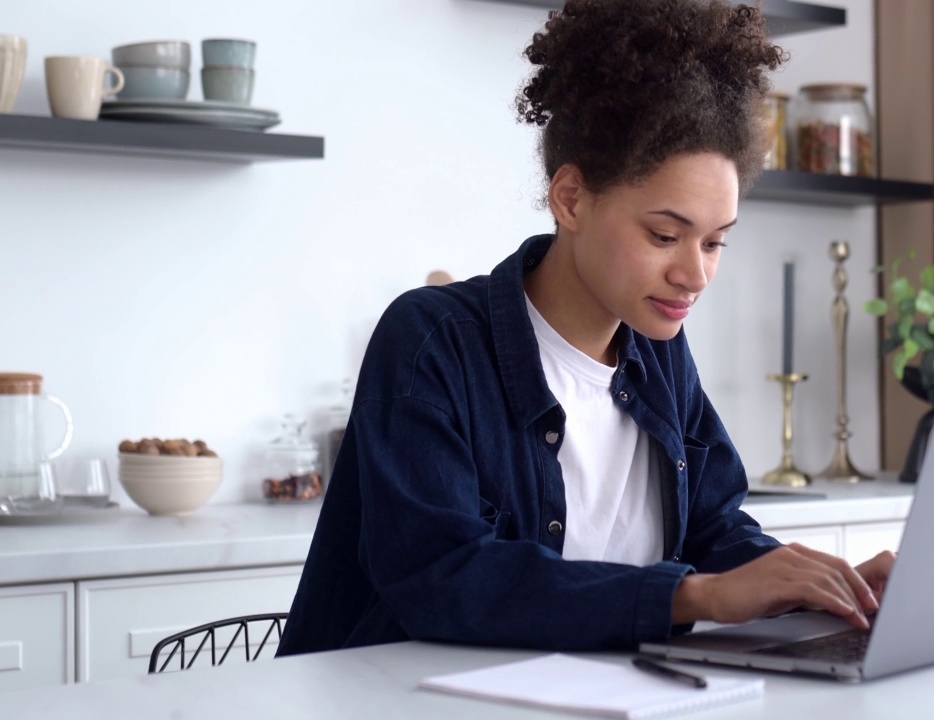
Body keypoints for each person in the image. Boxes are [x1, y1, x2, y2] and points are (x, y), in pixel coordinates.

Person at [277, 0, 894, 657]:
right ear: (571, 199)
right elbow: (443, 578)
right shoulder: (432, 341)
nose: (695, 274)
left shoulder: (658, 351)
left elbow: (714, 527)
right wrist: (692, 597)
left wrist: (824, 587)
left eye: (716, 243)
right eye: (665, 235)